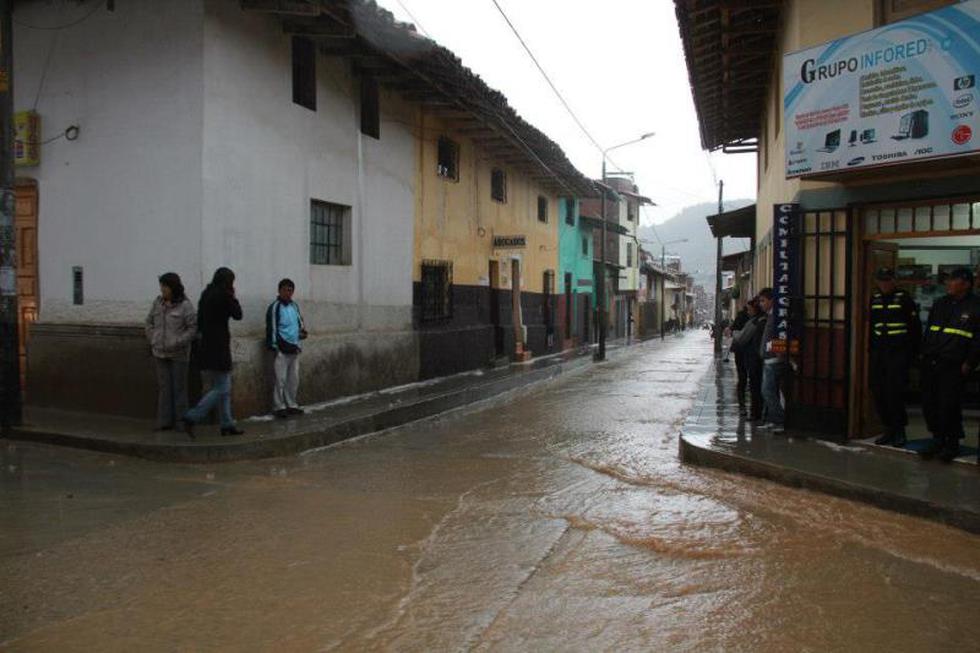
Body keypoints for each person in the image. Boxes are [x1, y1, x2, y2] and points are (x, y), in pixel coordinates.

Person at [919, 267, 980, 462]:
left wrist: (970, 362)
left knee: (949, 405)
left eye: (953, 280)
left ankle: (952, 443)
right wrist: (924, 354)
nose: (948, 283)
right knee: (930, 403)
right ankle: (937, 439)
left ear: (966, 284)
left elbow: (977, 339)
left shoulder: (975, 306)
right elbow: (930, 330)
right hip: (932, 360)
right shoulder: (940, 303)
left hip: (954, 363)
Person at [182, 267, 244, 438]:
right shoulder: (224, 295)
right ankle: (192, 416)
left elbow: (200, 320)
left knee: (223, 386)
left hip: (206, 345)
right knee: (222, 388)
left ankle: (227, 423)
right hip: (219, 346)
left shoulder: (206, 294)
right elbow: (238, 314)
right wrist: (233, 296)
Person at [867, 267, 921, 447]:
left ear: (894, 281)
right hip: (878, 354)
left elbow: (915, 328)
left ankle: (899, 430)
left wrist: (913, 355)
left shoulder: (904, 299)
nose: (884, 283)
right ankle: (888, 429)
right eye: (881, 280)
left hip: (898, 354)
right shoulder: (874, 299)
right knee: (878, 392)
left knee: (894, 393)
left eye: (887, 280)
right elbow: (871, 326)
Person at [145, 273, 196, 431]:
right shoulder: (157, 303)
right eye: (161, 286)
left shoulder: (185, 306)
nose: (162, 289)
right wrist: (153, 338)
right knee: (164, 387)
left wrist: (178, 341)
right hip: (159, 352)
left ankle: (181, 422)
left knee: (179, 388)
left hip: (178, 353)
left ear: (173, 287)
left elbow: (192, 328)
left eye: (165, 286)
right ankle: (164, 421)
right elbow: (149, 322)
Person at [266, 278, 307, 419]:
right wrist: (275, 346)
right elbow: (272, 327)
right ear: (279, 291)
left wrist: (302, 332)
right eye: (285, 290)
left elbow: (300, 323)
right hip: (281, 348)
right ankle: (278, 406)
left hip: (295, 347)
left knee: (293, 379)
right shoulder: (275, 307)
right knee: (280, 379)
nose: (288, 293)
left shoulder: (294, 306)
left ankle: (291, 404)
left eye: (290, 290)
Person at [756, 287, 787, 434]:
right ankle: (771, 420)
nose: (761, 304)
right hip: (768, 359)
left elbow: (778, 337)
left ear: (771, 301)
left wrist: (774, 351)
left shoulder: (777, 317)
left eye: (763, 300)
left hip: (773, 360)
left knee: (767, 391)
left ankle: (779, 421)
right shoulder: (770, 316)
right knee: (770, 391)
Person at [732, 299, 765, 421]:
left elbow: (741, 338)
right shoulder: (760, 319)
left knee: (751, 383)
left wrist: (734, 333)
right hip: (753, 356)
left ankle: (754, 412)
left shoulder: (755, 321)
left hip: (751, 356)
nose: (748, 311)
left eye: (750, 309)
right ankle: (755, 411)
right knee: (753, 383)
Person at [728, 305, 751, 415]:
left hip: (742, 351)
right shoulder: (749, 318)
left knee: (742, 379)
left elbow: (732, 330)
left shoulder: (743, 316)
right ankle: (745, 406)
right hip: (746, 352)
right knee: (746, 378)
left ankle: (743, 406)